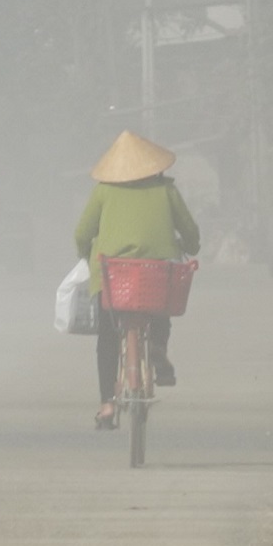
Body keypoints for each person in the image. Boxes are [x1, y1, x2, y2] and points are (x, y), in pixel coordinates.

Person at [73, 130, 200, 429]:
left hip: (112, 278)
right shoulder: (167, 191)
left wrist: (85, 255)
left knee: (107, 336)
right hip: (154, 276)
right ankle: (157, 345)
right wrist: (191, 247)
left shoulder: (103, 192)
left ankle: (106, 405)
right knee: (158, 307)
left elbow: (81, 234)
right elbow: (190, 231)